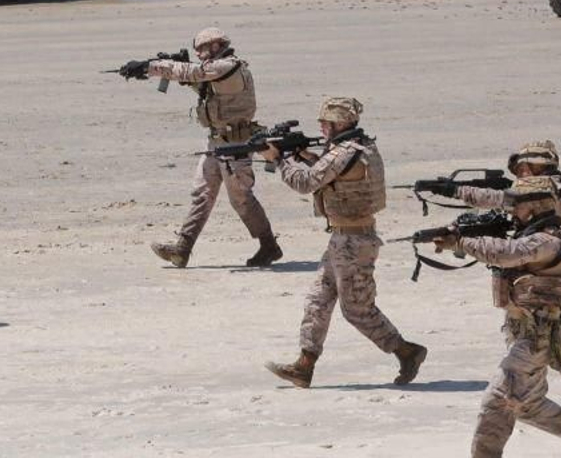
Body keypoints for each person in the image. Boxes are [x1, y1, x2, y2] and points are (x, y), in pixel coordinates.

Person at [432, 176, 561, 457]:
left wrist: (461, 242)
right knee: (527, 404)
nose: (512, 211)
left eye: (518, 206)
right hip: (522, 333)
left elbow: (507, 254)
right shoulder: (532, 234)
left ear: (534, 206)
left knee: (496, 401)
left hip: (537, 336)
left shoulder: (550, 239)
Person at [262, 96, 426, 388]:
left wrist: (279, 161)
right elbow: (331, 174)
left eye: (326, 122)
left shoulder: (345, 151)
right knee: (318, 301)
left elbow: (305, 183)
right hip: (343, 237)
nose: (322, 127)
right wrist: (304, 158)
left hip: (354, 240)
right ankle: (305, 365)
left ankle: (407, 351)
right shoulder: (355, 147)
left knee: (357, 310)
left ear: (341, 123)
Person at [442, 141, 561, 411]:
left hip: (550, 279)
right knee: (554, 342)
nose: (520, 173)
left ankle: (551, 394)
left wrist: (455, 191)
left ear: (533, 166)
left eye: (523, 167)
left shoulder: (541, 192)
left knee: (539, 342)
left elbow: (499, 200)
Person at [123, 27, 282, 269]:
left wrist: (149, 66)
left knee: (240, 198)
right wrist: (169, 71)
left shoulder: (227, 66)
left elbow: (195, 73)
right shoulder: (217, 70)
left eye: (202, 49)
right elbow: (200, 83)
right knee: (202, 194)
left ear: (217, 46)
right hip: (217, 141)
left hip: (235, 143)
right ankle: (182, 249)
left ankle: (268, 245)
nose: (198, 54)